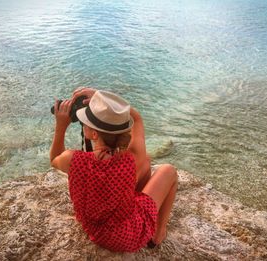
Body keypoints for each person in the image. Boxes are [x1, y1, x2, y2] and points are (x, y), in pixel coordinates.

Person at [50, 87, 177, 252]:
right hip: (128, 236)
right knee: (168, 170)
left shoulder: (73, 160)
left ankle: (154, 230)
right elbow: (137, 119)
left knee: (145, 164)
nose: (83, 124)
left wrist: (61, 125)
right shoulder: (131, 158)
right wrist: (106, 101)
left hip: (96, 233)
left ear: (94, 134)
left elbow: (54, 159)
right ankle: (158, 234)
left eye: (86, 122)